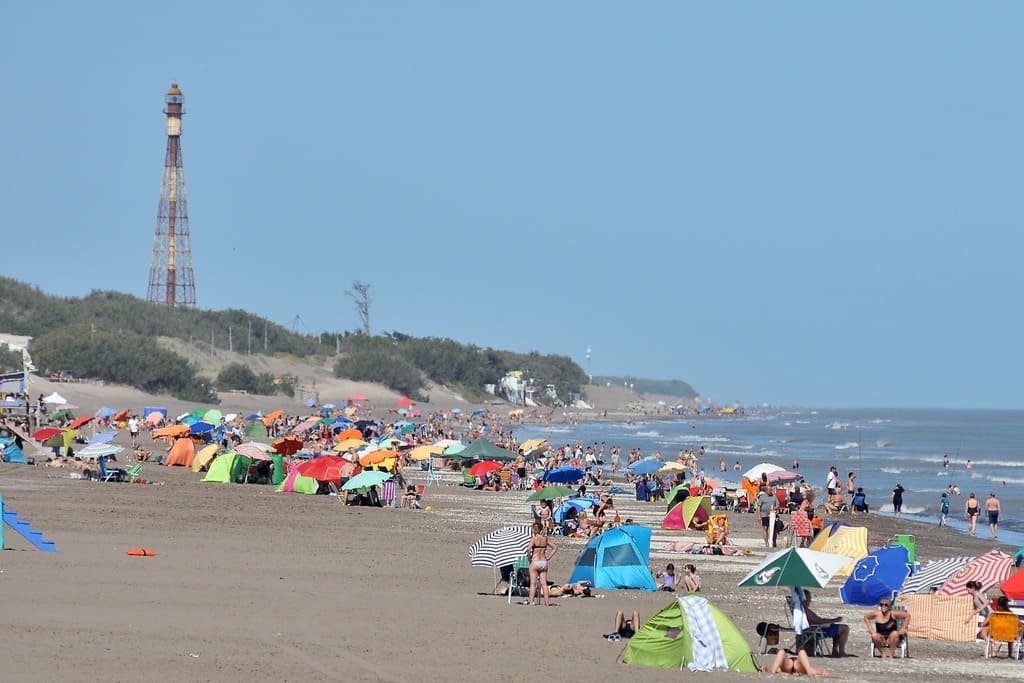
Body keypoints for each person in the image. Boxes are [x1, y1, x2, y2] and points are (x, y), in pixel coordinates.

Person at [802, 591, 849, 657]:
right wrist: (835, 620)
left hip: (811, 630)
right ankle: (841, 652)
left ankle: (835, 651)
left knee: (836, 627)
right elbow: (819, 620)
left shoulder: (800, 610)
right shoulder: (806, 611)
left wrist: (830, 621)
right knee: (845, 628)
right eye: (809, 598)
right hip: (816, 631)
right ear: (805, 599)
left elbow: (818, 620)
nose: (810, 600)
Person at [525, 522, 557, 607]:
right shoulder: (545, 539)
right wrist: (549, 557)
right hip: (543, 562)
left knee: (533, 583)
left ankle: (531, 602)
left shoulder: (534, 539)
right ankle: (547, 603)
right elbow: (555, 547)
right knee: (544, 584)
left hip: (535, 561)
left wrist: (530, 558)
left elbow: (528, 549)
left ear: (534, 530)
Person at [761, 649, 829, 676]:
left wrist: (766, 669)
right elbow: (817, 671)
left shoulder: (781, 666)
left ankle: (773, 672)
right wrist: (821, 672)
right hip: (797, 665)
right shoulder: (802, 664)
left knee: (781, 652)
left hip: (790, 664)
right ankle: (809, 674)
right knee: (802, 652)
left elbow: (770, 669)